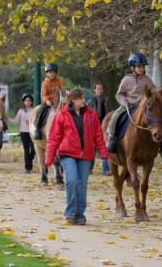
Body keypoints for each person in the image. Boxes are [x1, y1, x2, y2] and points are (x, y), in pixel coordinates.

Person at [45, 88, 108, 225]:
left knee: (82, 186)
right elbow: (54, 137)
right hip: (67, 154)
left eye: (84, 97)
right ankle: (70, 212)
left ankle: (80, 214)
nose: (84, 100)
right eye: (81, 98)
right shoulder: (61, 115)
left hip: (86, 155)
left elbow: (98, 135)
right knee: (72, 180)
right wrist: (49, 157)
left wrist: (103, 152)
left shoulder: (92, 114)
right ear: (73, 100)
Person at [106, 52, 156, 151]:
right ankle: (111, 137)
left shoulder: (148, 80)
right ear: (133, 67)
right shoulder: (126, 80)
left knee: (157, 116)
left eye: (143, 66)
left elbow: (154, 92)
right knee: (115, 115)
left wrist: (160, 99)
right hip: (129, 105)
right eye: (139, 66)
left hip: (144, 107)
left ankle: (161, 138)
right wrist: (123, 100)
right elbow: (119, 94)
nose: (141, 68)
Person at [33, 63, 66, 140]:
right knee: (40, 111)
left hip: (58, 101)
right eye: (50, 72)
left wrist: (65, 92)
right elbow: (44, 95)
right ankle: (38, 128)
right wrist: (47, 101)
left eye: (54, 72)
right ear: (46, 73)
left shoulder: (59, 81)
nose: (52, 74)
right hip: (48, 102)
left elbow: (63, 89)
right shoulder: (45, 83)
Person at [86, 82, 112, 175]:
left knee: (105, 147)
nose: (99, 91)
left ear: (103, 90)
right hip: (93, 127)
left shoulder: (107, 101)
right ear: (95, 90)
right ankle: (89, 168)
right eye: (98, 89)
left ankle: (106, 169)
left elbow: (110, 115)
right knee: (91, 147)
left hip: (105, 127)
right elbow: (86, 116)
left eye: (101, 89)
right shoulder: (89, 103)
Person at [8, 93, 36, 174]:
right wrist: (6, 119)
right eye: (26, 101)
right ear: (24, 102)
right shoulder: (21, 111)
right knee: (26, 150)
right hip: (23, 133)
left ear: (32, 102)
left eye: (29, 101)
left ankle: (29, 160)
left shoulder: (34, 111)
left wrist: (31, 123)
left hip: (32, 132)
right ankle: (28, 167)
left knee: (34, 150)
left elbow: (38, 122)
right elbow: (15, 121)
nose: (28, 102)